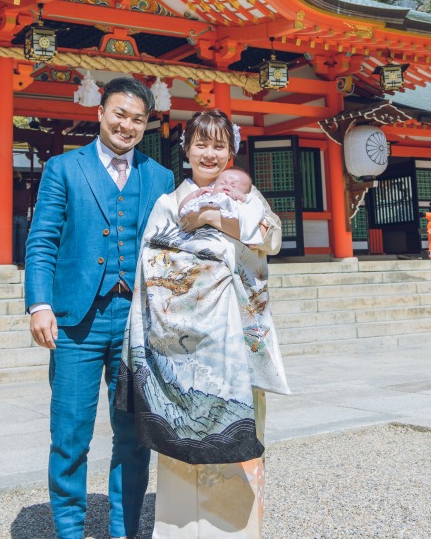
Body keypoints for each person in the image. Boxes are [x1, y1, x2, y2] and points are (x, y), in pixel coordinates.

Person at [117, 109, 288, 538]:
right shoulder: (168, 204)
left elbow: (271, 236)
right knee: (179, 445)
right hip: (181, 347)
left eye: (219, 145)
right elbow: (151, 265)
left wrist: (213, 218)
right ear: (186, 148)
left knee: (237, 443)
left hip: (236, 347)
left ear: (231, 152)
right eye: (201, 144)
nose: (209, 154)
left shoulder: (249, 198)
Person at [25, 76, 177, 539]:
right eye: (119, 114)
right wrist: (39, 303)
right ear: (100, 112)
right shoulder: (63, 168)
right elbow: (42, 239)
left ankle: (124, 529)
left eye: (137, 118)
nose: (126, 125)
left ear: (147, 124)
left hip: (136, 322)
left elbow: (174, 248)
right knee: (70, 433)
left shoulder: (161, 177)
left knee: (133, 436)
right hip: (76, 320)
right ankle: (69, 530)